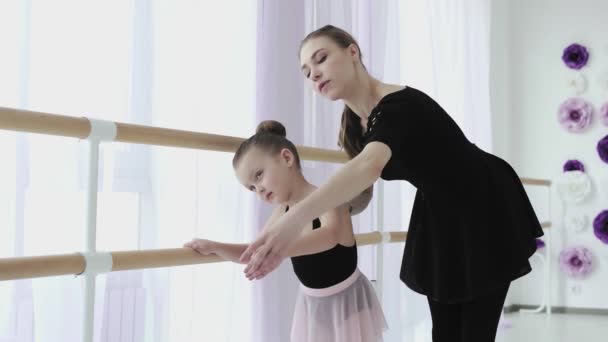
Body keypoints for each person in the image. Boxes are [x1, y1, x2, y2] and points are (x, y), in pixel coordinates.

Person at [239, 25, 544, 342]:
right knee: (445, 332)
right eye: (306, 72)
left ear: (352, 52)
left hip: (484, 201)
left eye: (321, 59)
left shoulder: (399, 106)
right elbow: (360, 193)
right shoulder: (355, 126)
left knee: (474, 333)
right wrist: (318, 211)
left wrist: (296, 218)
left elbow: (368, 166)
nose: (314, 74)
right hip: (439, 213)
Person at [184, 120, 387, 342]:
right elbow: (256, 250)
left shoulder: (330, 198)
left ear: (287, 158)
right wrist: (215, 247)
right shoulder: (283, 211)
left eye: (259, 175)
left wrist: (278, 249)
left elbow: (329, 236)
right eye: (251, 187)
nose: (258, 189)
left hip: (349, 304)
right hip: (312, 305)